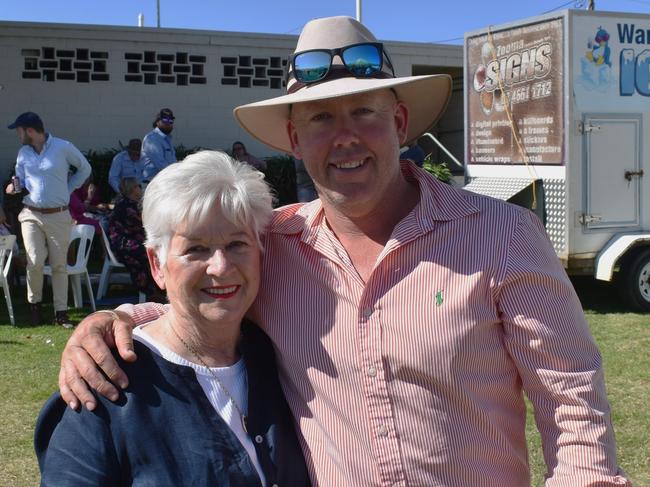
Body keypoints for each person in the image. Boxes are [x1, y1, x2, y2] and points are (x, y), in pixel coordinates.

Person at [58, 16, 630, 486]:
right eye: (321, 118)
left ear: (400, 122)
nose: (346, 136)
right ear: (293, 138)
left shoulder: (503, 236)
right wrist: (114, 320)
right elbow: (207, 296)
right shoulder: (273, 245)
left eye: (364, 113)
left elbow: (573, 406)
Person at [36, 151, 309, 485]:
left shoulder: (277, 357)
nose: (220, 267)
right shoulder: (104, 384)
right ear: (156, 264)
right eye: (196, 249)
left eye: (237, 244)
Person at [6, 112, 91, 328]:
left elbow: (85, 168)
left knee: (58, 265)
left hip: (58, 214)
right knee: (34, 259)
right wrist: (12, 187)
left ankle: (60, 313)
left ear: (30, 131)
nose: (18, 135)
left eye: (19, 131)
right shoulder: (23, 152)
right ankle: (34, 306)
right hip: (31, 213)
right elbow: (20, 180)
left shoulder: (63, 147)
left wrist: (68, 189)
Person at [108, 177, 165, 302]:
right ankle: (152, 290)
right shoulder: (126, 205)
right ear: (132, 189)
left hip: (132, 240)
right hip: (124, 244)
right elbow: (146, 223)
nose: (140, 188)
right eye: (138, 186)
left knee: (158, 250)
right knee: (150, 254)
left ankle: (159, 289)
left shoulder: (133, 204)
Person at [141, 108, 176, 182]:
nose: (168, 123)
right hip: (151, 183)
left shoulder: (167, 139)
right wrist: (177, 175)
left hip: (163, 181)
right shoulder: (153, 139)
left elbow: (173, 162)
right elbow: (160, 164)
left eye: (171, 120)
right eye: (165, 120)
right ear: (157, 122)